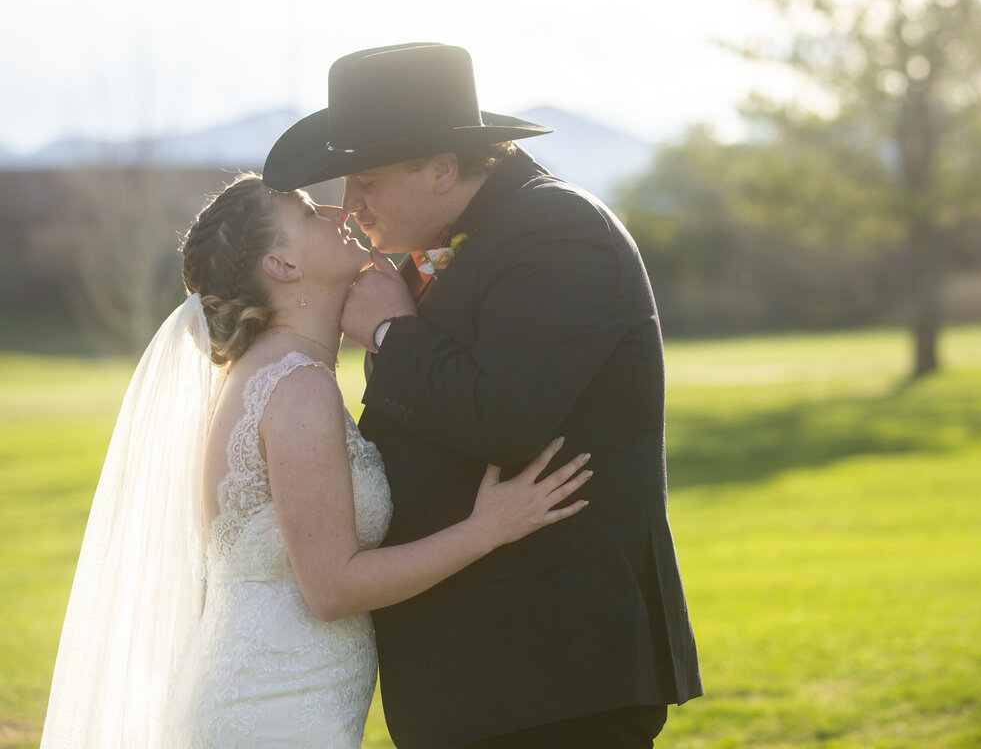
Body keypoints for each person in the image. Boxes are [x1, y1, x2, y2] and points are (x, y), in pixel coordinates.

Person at [40, 173, 593, 749]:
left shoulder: (266, 373)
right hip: (276, 710)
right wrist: (487, 529)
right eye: (307, 213)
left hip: (272, 693)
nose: (335, 210)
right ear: (280, 266)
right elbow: (331, 588)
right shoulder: (297, 387)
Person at [263, 42, 702, 749]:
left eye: (367, 181)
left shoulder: (559, 231)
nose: (351, 207)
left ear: (441, 169)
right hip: (477, 675)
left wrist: (389, 333)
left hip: (555, 671)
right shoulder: (464, 241)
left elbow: (506, 415)